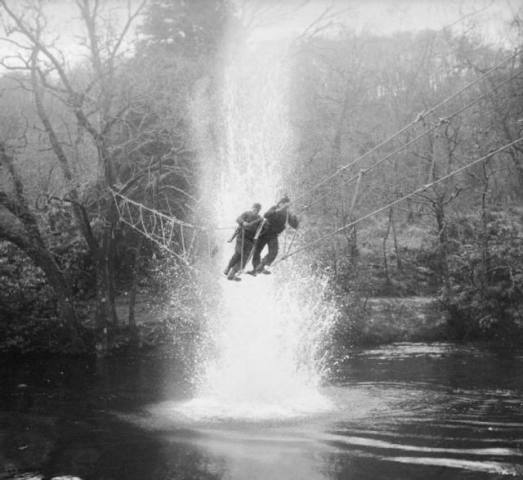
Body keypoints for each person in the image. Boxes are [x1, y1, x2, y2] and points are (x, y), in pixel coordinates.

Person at [248, 195, 299, 275]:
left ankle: (262, 265)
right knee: (257, 251)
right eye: (284, 204)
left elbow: (295, 225)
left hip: (273, 235)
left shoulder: (287, 214)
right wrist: (280, 209)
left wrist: (296, 218)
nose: (285, 207)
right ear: (280, 204)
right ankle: (256, 268)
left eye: (287, 205)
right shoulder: (274, 208)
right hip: (264, 232)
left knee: (274, 252)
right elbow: (266, 215)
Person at [223, 202, 263, 281]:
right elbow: (238, 219)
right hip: (241, 237)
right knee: (238, 254)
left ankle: (231, 272)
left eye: (257, 209)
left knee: (244, 258)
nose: (256, 210)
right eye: (255, 208)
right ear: (252, 208)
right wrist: (243, 222)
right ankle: (228, 269)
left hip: (250, 241)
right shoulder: (246, 214)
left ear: (259, 210)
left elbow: (260, 230)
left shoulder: (260, 219)